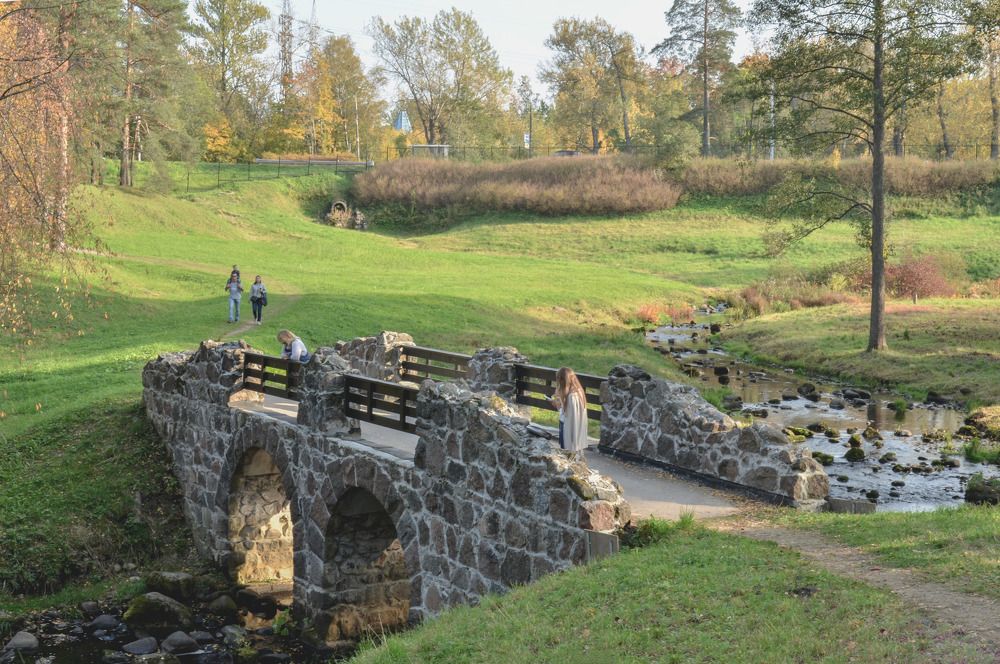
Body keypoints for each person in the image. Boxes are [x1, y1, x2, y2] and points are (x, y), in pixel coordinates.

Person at [550, 367, 588, 456]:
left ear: (563, 380)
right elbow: (566, 411)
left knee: (566, 452)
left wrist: (559, 403)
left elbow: (571, 419)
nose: (558, 383)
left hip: (568, 429)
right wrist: (558, 402)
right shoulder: (577, 392)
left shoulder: (573, 396)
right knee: (567, 451)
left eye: (558, 380)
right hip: (567, 426)